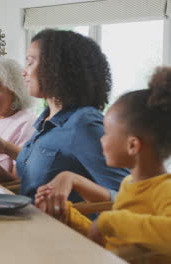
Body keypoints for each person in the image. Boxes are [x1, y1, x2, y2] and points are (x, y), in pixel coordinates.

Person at [0, 29, 128, 202]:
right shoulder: (45, 120)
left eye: (30, 62)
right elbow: (44, 164)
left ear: (56, 68)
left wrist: (74, 181)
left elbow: (130, 198)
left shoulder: (83, 124)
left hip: (60, 228)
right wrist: (4, 148)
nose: (24, 72)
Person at [46, 67, 171, 263]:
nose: (101, 140)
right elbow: (110, 243)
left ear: (132, 145)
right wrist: (67, 215)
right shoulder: (129, 184)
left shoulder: (166, 190)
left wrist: (109, 221)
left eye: (107, 133)